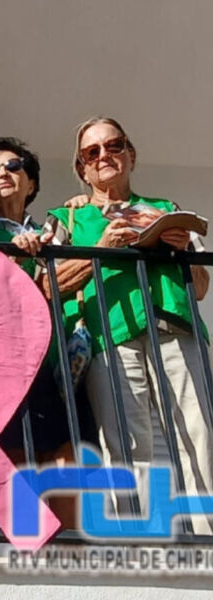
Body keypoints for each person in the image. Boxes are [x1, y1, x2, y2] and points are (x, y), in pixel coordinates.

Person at [42, 116, 213, 532]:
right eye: (91, 152)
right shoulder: (65, 218)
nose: (104, 155)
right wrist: (101, 249)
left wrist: (181, 250)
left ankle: (207, 540)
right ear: (82, 169)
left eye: (113, 145)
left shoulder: (167, 210)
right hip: (110, 337)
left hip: (176, 329)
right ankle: (138, 543)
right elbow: (47, 285)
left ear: (130, 155)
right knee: (126, 446)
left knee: (199, 437)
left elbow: (201, 287)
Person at [0, 137, 78, 527]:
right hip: (4, 372)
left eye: (14, 166)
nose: (2, 173)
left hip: (58, 368)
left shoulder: (57, 234)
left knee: (66, 467)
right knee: (19, 474)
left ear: (31, 183)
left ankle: (72, 560)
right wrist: (14, 258)